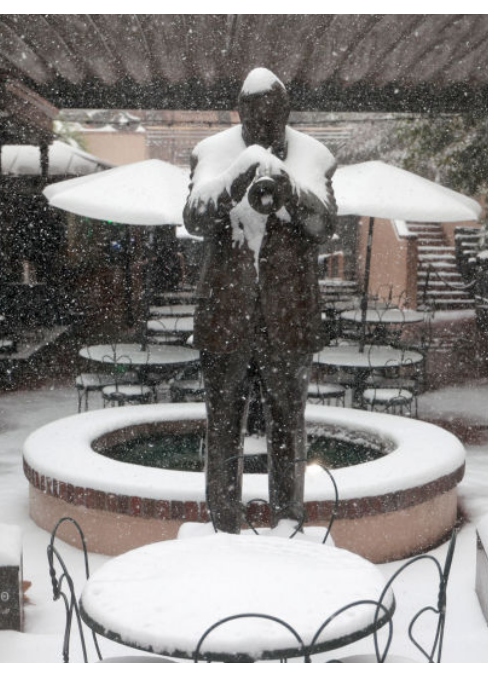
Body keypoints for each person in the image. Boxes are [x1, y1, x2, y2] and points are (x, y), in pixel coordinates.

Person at [182, 67, 337, 533]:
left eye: (271, 117)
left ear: (286, 112)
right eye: (253, 117)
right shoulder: (212, 152)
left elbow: (324, 224)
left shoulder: (314, 156)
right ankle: (223, 523)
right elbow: (194, 217)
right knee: (222, 425)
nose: (262, 125)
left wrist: (290, 190)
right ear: (240, 112)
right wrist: (236, 180)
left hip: (288, 319)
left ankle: (288, 522)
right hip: (224, 317)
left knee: (288, 426)